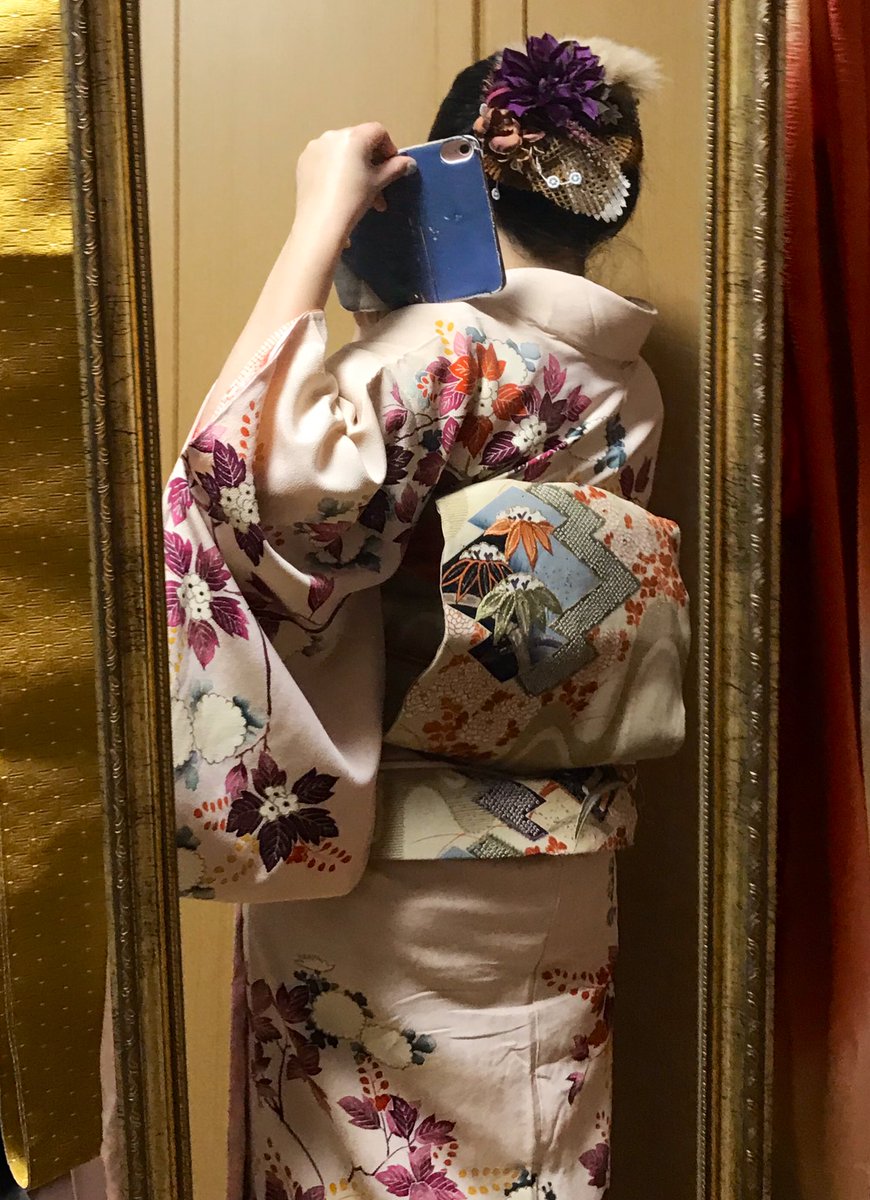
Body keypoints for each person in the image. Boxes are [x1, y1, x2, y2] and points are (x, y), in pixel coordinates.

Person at [164, 33, 690, 1200]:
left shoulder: (445, 351)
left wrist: (318, 218)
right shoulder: (629, 379)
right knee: (536, 1151)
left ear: (454, 169)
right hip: (564, 857)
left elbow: (257, 493)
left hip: (399, 872)